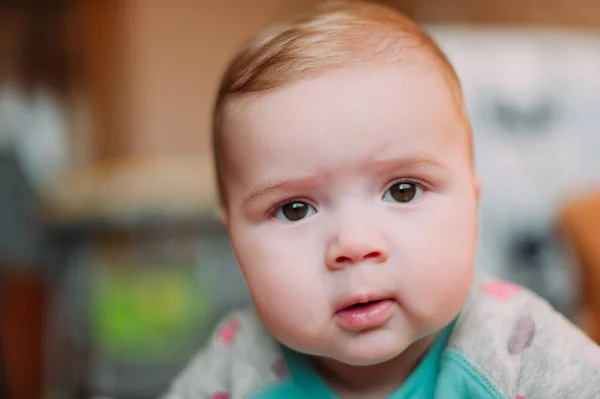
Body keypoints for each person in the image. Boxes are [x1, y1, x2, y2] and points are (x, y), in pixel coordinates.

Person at [162, 1, 600, 398]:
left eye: (403, 190)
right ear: (234, 241)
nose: (353, 245)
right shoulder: (237, 368)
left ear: (473, 205)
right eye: (295, 209)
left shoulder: (522, 350)